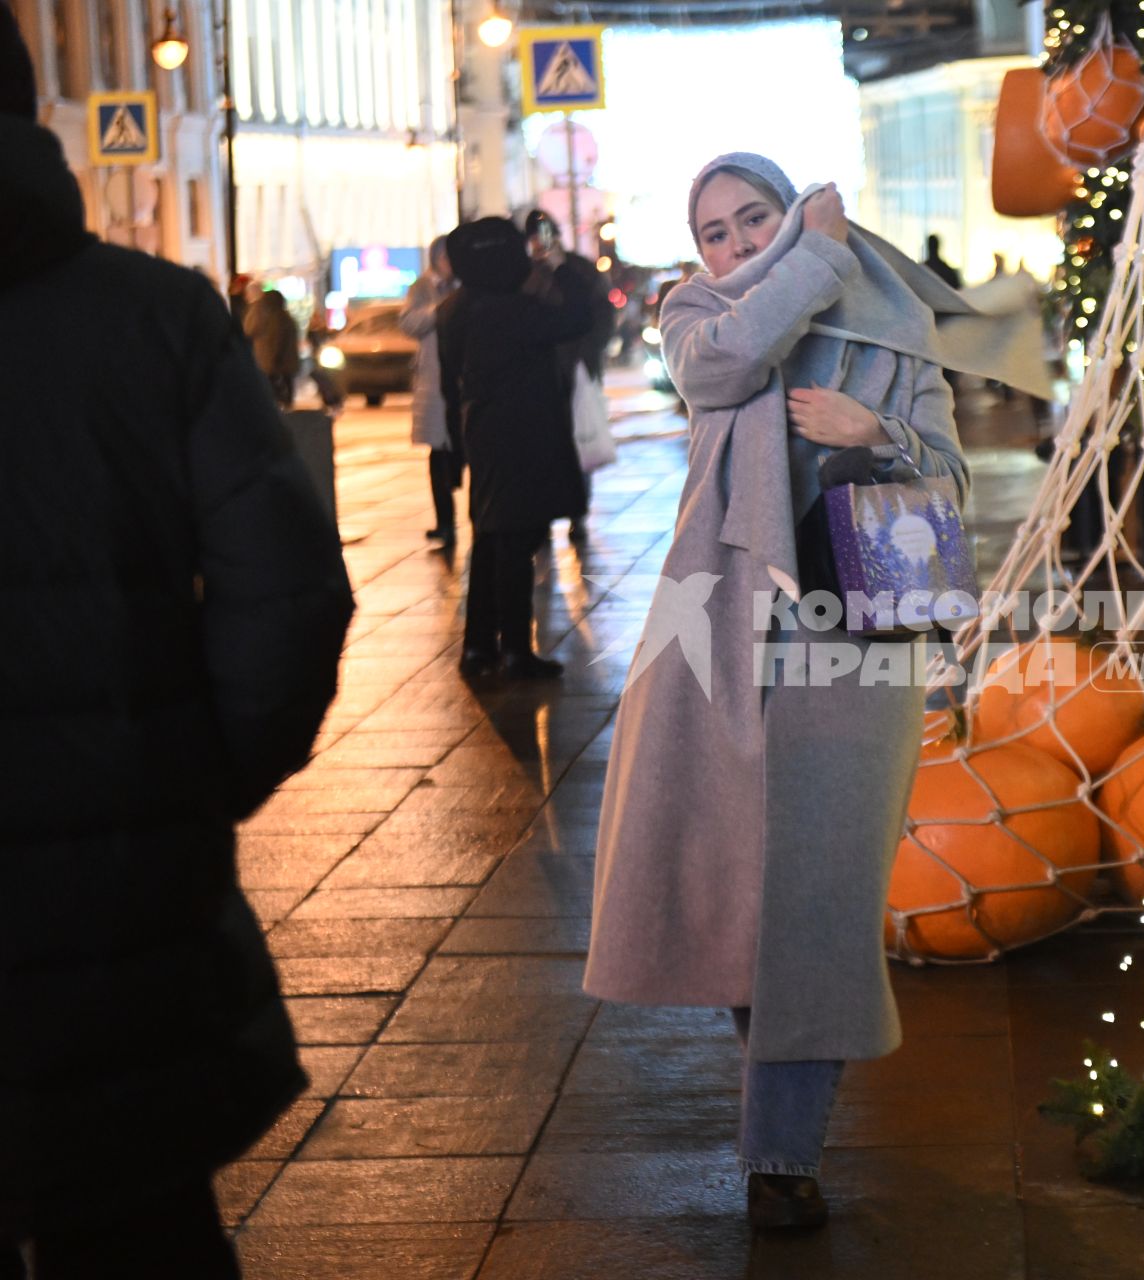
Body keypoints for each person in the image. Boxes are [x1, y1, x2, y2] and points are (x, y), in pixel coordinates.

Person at [587, 153, 1045, 1232]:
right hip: (724, 629)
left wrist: (871, 432)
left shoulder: (890, 320)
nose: (740, 247)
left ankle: (780, 1154)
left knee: (821, 905)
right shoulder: (693, 312)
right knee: (738, 892)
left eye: (759, 220)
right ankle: (776, 1095)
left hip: (860, 631)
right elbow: (724, 367)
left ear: (788, 208)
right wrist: (818, 255)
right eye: (720, 232)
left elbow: (951, 471)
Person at [0, 12, 355, 1275]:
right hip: (121, 910)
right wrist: (193, 780)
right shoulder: (155, 317)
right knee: (136, 1221)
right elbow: (289, 589)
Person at [438, 217, 594, 680]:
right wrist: (560, 267)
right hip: (521, 438)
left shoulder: (455, 308)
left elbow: (450, 383)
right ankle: (514, 651)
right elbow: (577, 317)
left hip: (482, 435)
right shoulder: (507, 309)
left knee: (490, 539)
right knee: (516, 542)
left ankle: (479, 648)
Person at [525, 209, 617, 546]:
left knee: (580, 440)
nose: (538, 244)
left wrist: (588, 355)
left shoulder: (577, 269)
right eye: (533, 238)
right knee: (541, 449)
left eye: (543, 236)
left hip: (576, 370)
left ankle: (578, 513)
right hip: (539, 377)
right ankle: (545, 516)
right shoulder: (525, 274)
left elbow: (603, 316)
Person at [401, 234, 462, 545]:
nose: (449, 264)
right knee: (438, 453)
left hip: (462, 379)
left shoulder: (464, 286)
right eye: (445, 258)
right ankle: (445, 523)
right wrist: (438, 310)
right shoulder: (422, 288)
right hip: (434, 381)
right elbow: (408, 322)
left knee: (464, 450)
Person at [244, 285, 301, 408]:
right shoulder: (286, 317)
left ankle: (282, 410)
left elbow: (273, 342)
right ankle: (286, 407)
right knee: (285, 388)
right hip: (285, 363)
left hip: (273, 363)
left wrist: (273, 359)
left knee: (273, 389)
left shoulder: (272, 319)